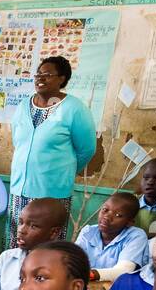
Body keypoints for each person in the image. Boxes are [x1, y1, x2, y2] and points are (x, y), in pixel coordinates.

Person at [5, 56, 96, 247]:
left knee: (46, 249)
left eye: (47, 75)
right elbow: (18, 142)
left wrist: (62, 172)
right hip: (18, 191)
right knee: (17, 245)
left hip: (52, 193)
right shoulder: (24, 105)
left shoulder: (74, 108)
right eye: (38, 74)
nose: (40, 78)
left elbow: (86, 150)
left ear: (62, 79)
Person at [0, 198, 68, 290]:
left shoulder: (65, 266)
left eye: (33, 226)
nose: (21, 230)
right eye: (21, 222)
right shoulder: (7, 258)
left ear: (54, 232)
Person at [75, 191, 149, 281]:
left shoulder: (136, 236)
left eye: (118, 215)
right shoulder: (88, 232)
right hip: (88, 285)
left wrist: (89, 274)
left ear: (130, 222)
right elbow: (73, 260)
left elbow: (123, 271)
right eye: (105, 210)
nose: (106, 217)